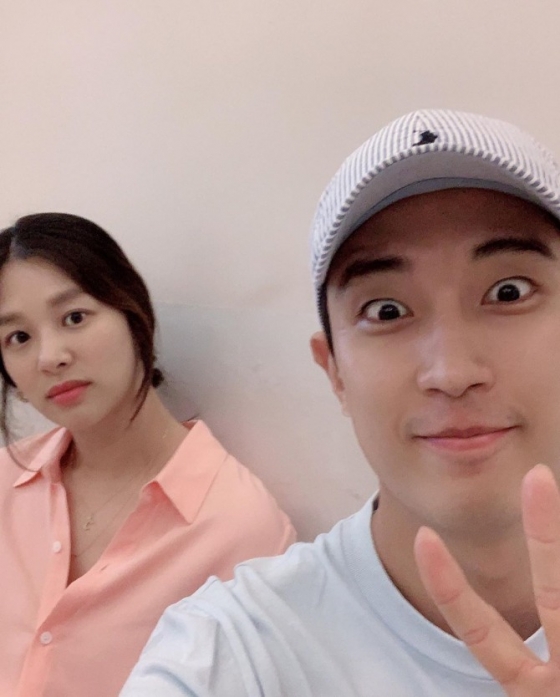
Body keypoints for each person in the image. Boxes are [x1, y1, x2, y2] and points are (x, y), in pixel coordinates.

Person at [121, 109, 560, 697]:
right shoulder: (233, 652)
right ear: (334, 373)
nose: (452, 373)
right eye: (386, 310)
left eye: (508, 292)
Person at [0, 212, 296, 697]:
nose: (49, 356)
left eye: (74, 318)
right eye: (19, 337)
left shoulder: (241, 530)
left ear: (133, 313)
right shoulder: (6, 482)